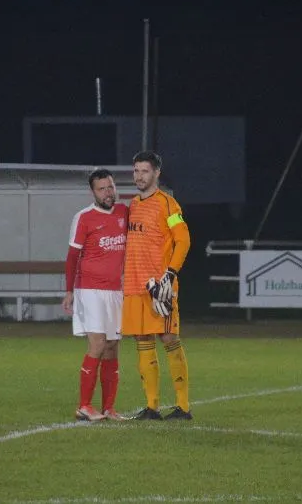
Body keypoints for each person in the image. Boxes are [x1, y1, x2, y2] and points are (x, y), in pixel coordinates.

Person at [122, 151, 192, 420]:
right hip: (134, 285)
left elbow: (183, 240)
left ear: (156, 173)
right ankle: (152, 407)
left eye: (144, 171)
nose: (139, 176)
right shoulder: (132, 205)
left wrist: (170, 274)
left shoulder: (168, 205)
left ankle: (183, 407)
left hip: (159, 287)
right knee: (142, 340)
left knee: (169, 338)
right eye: (136, 171)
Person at [62, 168, 129, 422]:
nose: (108, 193)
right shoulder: (84, 217)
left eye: (110, 187)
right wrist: (69, 290)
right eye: (102, 189)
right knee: (98, 344)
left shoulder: (124, 212)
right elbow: (72, 257)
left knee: (112, 347)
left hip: (115, 291)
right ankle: (84, 406)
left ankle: (109, 408)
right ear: (93, 192)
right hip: (89, 290)